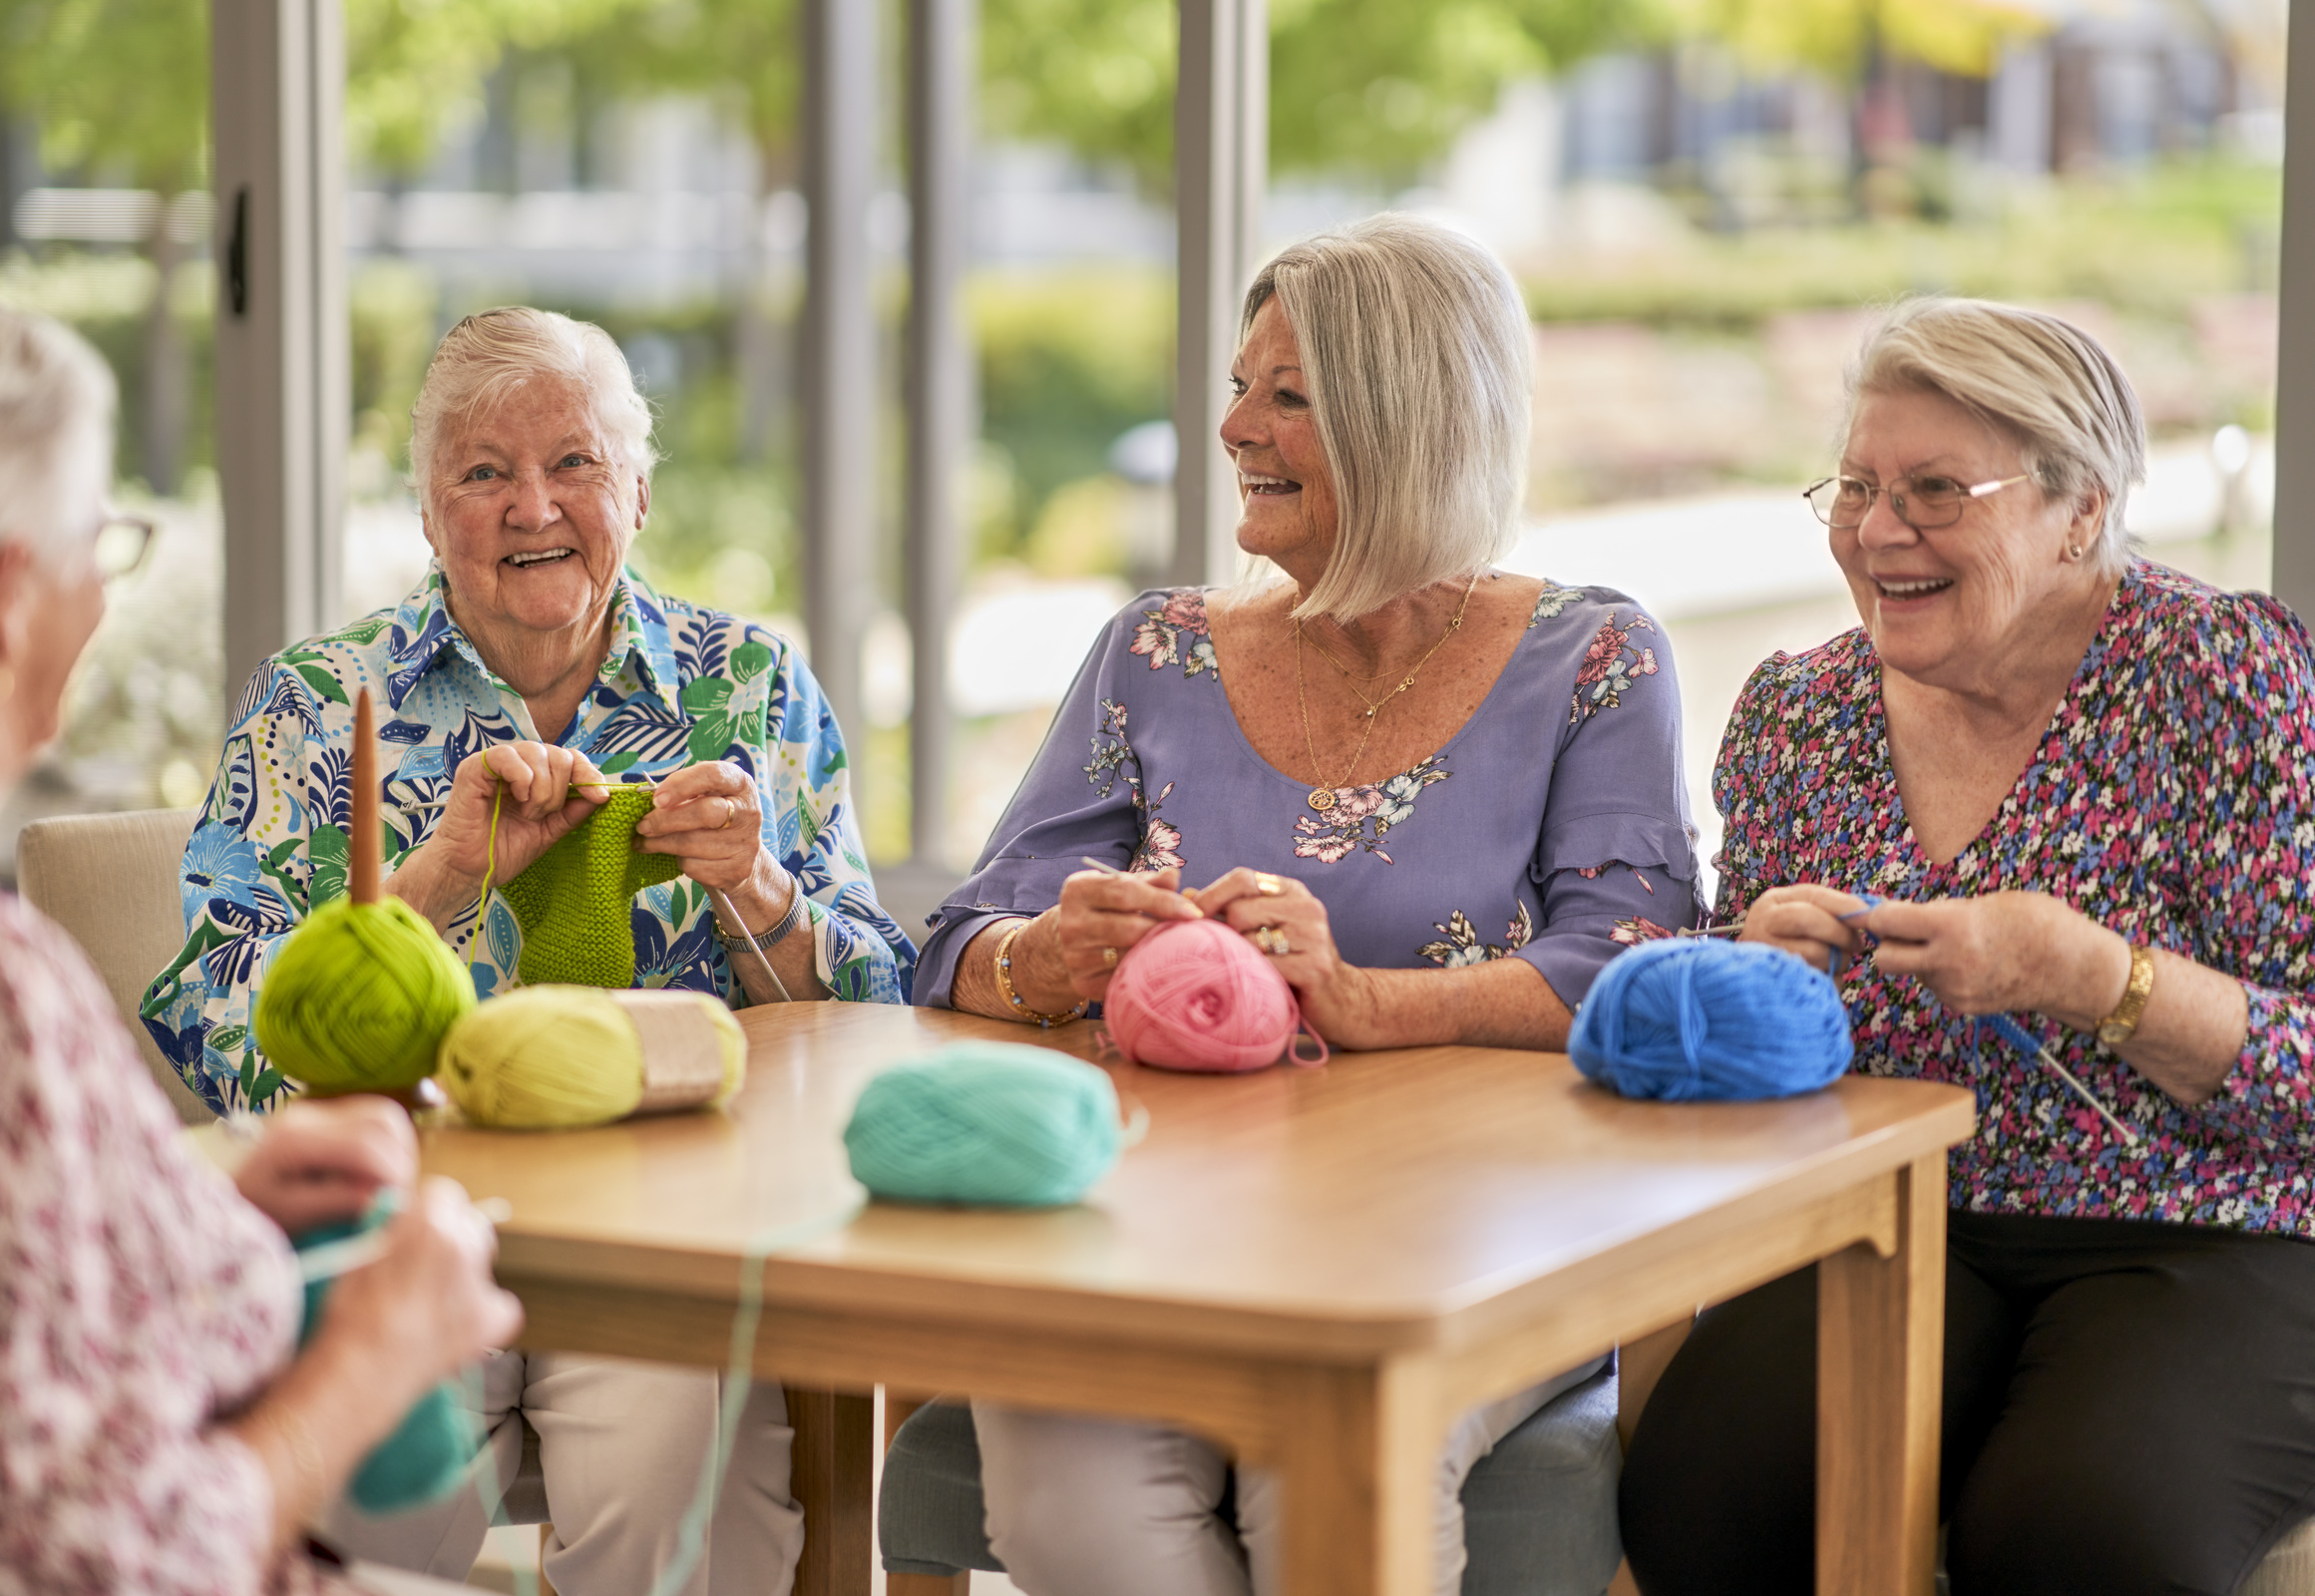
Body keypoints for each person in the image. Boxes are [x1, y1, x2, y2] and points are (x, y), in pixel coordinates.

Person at [916, 214, 1702, 1596]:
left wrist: (1361, 1000)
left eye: (1289, 396)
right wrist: (1044, 958)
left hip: (1469, 1233)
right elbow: (959, 940)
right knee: (1064, 1508)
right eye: (1237, 387)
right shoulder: (1154, 651)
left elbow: (1634, 971)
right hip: (1150, 1230)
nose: (1234, 429)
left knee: (1331, 1489)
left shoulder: (1593, 657)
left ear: (1411, 420)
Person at [142, 306, 915, 1594]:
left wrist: (755, 890)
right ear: (429, 512)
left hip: (669, 1233)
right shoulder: (320, 706)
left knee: (682, 1505)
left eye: (575, 465)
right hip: (408, 1214)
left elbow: (874, 1008)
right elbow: (216, 1019)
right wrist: (434, 888)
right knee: (365, 1507)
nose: (532, 505)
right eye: (484, 473)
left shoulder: (751, 687)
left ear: (639, 491)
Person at [1618, 297, 2315, 1596]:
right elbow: (1707, 1045)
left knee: (2079, 1538)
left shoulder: (2226, 680)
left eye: (1938, 489)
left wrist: (2092, 975)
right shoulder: (1798, 710)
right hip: (1890, 1218)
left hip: (2210, 1231)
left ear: (2081, 510)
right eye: (1859, 486)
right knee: (1708, 1495)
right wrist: (1752, 970)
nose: (1881, 532)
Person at [0, 289, 519, 1594]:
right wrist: (374, 1353)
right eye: (104, 542)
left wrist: (184, 1208)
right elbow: (110, 1557)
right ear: (13, 600)